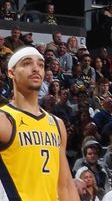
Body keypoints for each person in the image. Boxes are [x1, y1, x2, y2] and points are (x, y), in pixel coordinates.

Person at [0, 46, 80, 200]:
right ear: (11, 72)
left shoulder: (57, 124)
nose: (36, 68)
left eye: (41, 65)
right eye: (27, 63)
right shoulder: (4, 119)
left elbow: (65, 186)